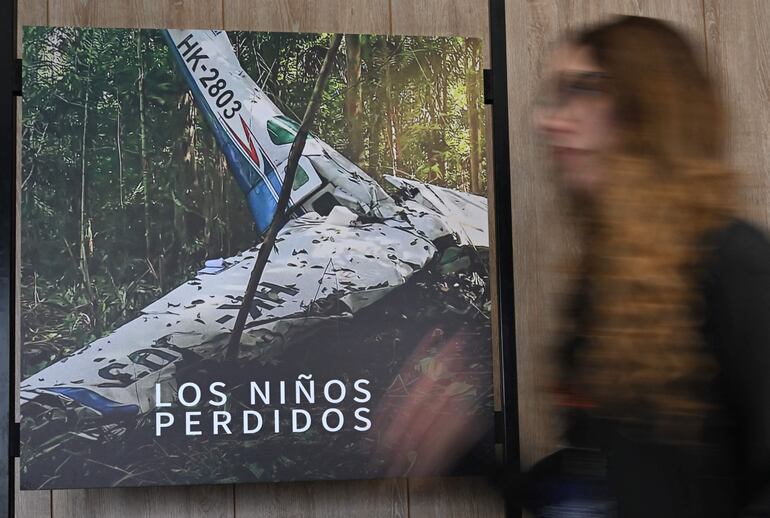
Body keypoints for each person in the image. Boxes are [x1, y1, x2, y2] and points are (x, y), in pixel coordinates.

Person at [529, 15, 770, 517]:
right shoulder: (602, 280)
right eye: (555, 95)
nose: (549, 120)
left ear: (650, 108)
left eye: (584, 88)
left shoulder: (733, 262)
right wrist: (471, 451)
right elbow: (605, 486)